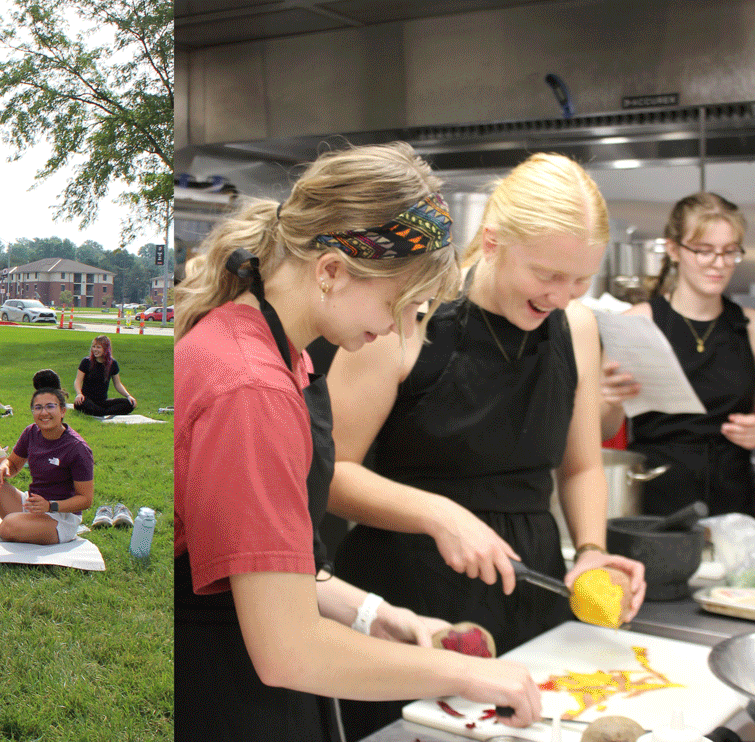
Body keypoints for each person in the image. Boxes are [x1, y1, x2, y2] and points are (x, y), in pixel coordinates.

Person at [174, 142, 544, 739]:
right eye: (402, 305)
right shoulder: (251, 389)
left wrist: (377, 615)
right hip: (220, 692)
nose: (402, 330)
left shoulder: (267, 348)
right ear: (332, 271)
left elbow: (261, 560)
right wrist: (468, 674)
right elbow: (287, 647)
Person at [328, 152, 650, 737]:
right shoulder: (407, 318)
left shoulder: (576, 327)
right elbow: (328, 473)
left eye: (581, 279)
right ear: (495, 241)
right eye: (548, 275)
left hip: (532, 590)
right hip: (412, 596)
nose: (562, 295)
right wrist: (438, 514)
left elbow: (579, 467)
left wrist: (593, 552)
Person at [600, 193, 755, 517]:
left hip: (734, 504)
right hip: (654, 499)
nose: (719, 263)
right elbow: (601, 430)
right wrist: (609, 400)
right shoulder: (636, 323)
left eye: (730, 252)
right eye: (704, 251)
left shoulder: (750, 328)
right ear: (673, 249)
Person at [0, 370, 94, 544]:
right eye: (38, 407)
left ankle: (2, 526)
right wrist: (4, 468)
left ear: (63, 411)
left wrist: (50, 506)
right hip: (31, 505)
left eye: (50, 406)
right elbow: (13, 463)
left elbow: (86, 500)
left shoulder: (77, 448)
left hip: (60, 517)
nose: (44, 413)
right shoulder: (31, 432)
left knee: (9, 527)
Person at [73, 335, 137, 417]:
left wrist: (128, 396)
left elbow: (118, 384)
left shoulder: (112, 364)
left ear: (106, 349)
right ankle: (104, 412)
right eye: (93, 347)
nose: (95, 350)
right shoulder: (86, 362)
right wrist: (79, 394)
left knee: (128, 404)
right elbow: (77, 381)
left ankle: (102, 411)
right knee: (82, 404)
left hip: (102, 401)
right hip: (86, 400)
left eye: (98, 347)